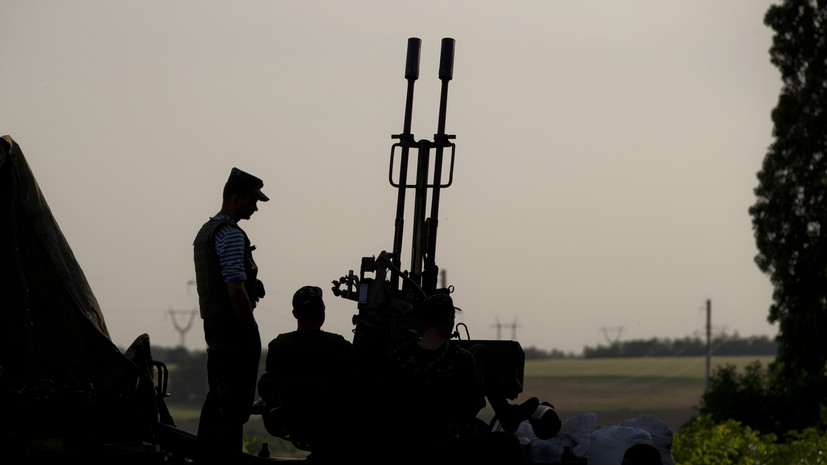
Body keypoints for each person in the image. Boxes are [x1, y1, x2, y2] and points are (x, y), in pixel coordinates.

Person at [379, 293, 524, 463]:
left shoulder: (398, 357)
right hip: (447, 447)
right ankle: (507, 414)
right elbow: (471, 409)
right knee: (510, 444)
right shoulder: (460, 359)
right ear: (450, 318)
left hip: (408, 446)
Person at [193, 167, 269, 464]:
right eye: (252, 201)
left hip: (215, 329)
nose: (255, 207)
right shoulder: (231, 235)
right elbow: (235, 292)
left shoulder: (207, 232)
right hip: (234, 331)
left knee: (218, 401)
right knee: (232, 408)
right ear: (236, 198)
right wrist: (251, 330)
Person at [257, 285, 354, 459]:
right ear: (323, 312)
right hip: (329, 424)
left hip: (289, 422)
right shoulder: (339, 345)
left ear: (295, 314)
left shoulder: (278, 345)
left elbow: (268, 384)